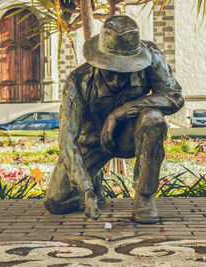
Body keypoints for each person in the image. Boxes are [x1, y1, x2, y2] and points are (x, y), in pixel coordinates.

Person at [44, 15, 184, 223]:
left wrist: (120, 113)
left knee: (154, 118)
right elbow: (67, 141)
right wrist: (86, 190)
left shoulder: (151, 57)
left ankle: (144, 198)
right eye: (111, 71)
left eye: (126, 70)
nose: (118, 79)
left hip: (130, 135)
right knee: (56, 201)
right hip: (92, 143)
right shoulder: (77, 82)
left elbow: (174, 96)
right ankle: (95, 179)